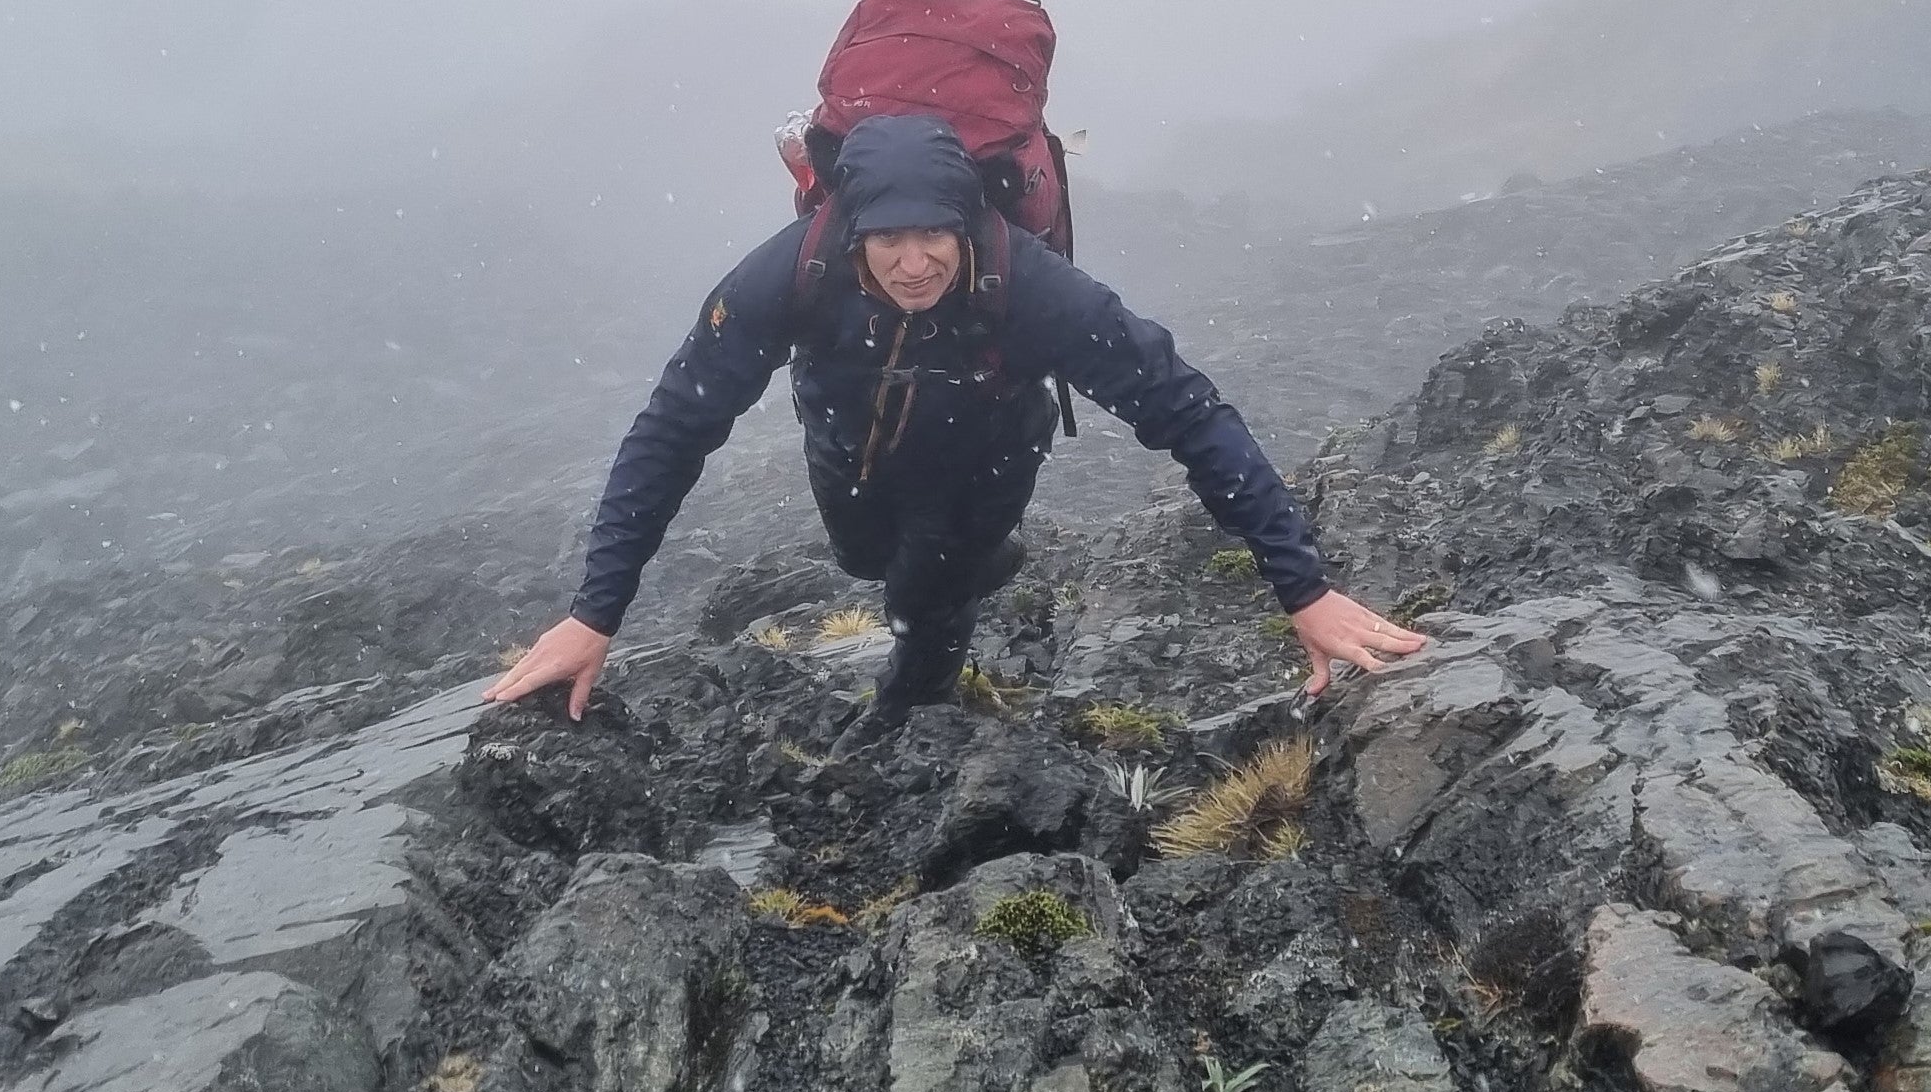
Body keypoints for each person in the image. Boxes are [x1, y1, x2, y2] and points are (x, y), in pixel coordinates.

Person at [486, 113, 1425, 725]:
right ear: (850, 234)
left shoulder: (1035, 290)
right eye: (887, 240)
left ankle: (910, 712)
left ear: (966, 226)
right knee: (862, 557)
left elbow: (1189, 414)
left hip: (981, 450)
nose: (911, 264)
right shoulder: (788, 275)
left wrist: (1303, 590)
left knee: (925, 588)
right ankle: (961, 574)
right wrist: (591, 614)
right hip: (844, 441)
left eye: (931, 236)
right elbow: (671, 430)